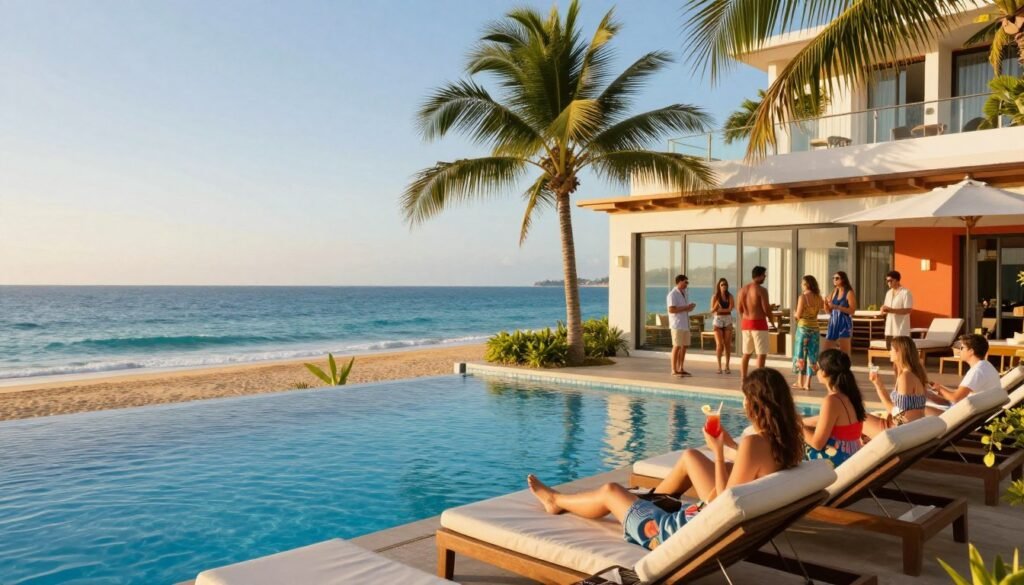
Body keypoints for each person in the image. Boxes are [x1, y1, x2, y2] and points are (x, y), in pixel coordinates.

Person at [525, 368, 804, 551]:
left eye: (746, 398)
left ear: (757, 402)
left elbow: (723, 502)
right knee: (692, 457)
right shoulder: (788, 442)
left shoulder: (754, 444)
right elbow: (733, 493)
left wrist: (718, 451)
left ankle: (555, 501)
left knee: (610, 490)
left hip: (672, 532)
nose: (743, 404)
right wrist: (727, 447)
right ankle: (648, 502)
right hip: (711, 517)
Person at [802, 350, 866, 468]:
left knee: (792, 443)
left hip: (839, 459)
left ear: (824, 372)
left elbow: (817, 444)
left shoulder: (831, 401)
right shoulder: (850, 395)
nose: (816, 371)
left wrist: (798, 427)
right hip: (852, 453)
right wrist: (802, 422)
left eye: (818, 368)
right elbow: (825, 420)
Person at [863, 336, 928, 437]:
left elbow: (899, 416)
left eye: (891, 349)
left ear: (899, 352)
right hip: (908, 429)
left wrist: (887, 414)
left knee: (856, 416)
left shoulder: (906, 377)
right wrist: (877, 383)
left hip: (899, 432)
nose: (889, 352)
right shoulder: (913, 374)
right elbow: (899, 411)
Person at [926, 333, 1002, 414]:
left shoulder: (977, 371)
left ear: (971, 351)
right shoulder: (986, 366)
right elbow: (959, 394)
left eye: (962, 348)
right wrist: (938, 389)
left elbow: (955, 398)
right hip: (972, 408)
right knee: (927, 397)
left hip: (964, 414)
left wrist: (939, 389)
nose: (959, 350)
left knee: (918, 407)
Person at [738, 266, 772, 381]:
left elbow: (739, 309)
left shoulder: (742, 290)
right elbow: (766, 308)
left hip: (746, 324)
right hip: (759, 324)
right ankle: (759, 379)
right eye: (764, 275)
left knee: (746, 354)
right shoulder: (761, 290)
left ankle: (743, 378)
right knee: (761, 354)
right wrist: (772, 321)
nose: (765, 277)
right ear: (759, 275)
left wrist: (745, 319)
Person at [792, 275, 824, 391]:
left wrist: (795, 314)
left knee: (800, 354)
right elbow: (824, 308)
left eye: (802, 283)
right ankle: (807, 383)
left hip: (803, 329)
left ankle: (800, 381)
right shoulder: (819, 298)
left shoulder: (802, 298)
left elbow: (798, 315)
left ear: (807, 285)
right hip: (815, 329)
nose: (801, 285)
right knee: (812, 355)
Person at [667, 275, 697, 377]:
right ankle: (673, 369)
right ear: (679, 282)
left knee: (684, 346)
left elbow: (683, 309)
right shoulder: (672, 294)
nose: (686, 284)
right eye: (685, 282)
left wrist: (689, 308)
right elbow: (671, 309)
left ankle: (681, 368)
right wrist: (685, 308)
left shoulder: (684, 293)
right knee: (676, 346)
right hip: (677, 325)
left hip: (685, 324)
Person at [824, 271, 857, 355]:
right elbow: (828, 311)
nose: (834, 280)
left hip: (844, 322)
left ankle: (845, 367)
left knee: (844, 352)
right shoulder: (834, 292)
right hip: (833, 322)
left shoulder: (849, 293)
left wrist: (836, 307)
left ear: (843, 279)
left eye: (837, 278)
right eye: (833, 278)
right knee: (826, 350)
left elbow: (852, 311)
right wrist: (826, 304)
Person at [881, 271, 913, 348]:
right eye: (886, 280)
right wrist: (883, 310)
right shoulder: (888, 293)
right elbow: (887, 309)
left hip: (900, 330)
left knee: (901, 354)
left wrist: (891, 310)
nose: (888, 282)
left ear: (897, 280)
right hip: (889, 329)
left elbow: (908, 310)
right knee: (891, 354)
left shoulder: (906, 292)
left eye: (890, 280)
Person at [711, 278, 735, 374]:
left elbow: (731, 308)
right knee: (719, 344)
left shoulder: (730, 296)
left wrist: (719, 310)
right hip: (718, 321)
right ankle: (719, 366)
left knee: (727, 344)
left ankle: (727, 366)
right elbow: (712, 310)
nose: (724, 286)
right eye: (722, 284)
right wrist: (717, 308)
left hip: (728, 320)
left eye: (725, 284)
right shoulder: (715, 297)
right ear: (719, 286)